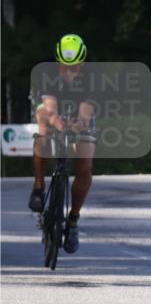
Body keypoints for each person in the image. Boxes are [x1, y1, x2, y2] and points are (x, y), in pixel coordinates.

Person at [28, 34, 96, 254]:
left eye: (74, 67)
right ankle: (38, 187)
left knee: (84, 164)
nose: (68, 71)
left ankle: (73, 220)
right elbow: (49, 110)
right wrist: (57, 122)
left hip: (79, 111)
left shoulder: (90, 77)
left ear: (83, 63)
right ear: (57, 61)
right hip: (52, 108)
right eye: (64, 66)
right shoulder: (47, 73)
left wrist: (76, 127)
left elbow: (85, 115)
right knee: (44, 125)